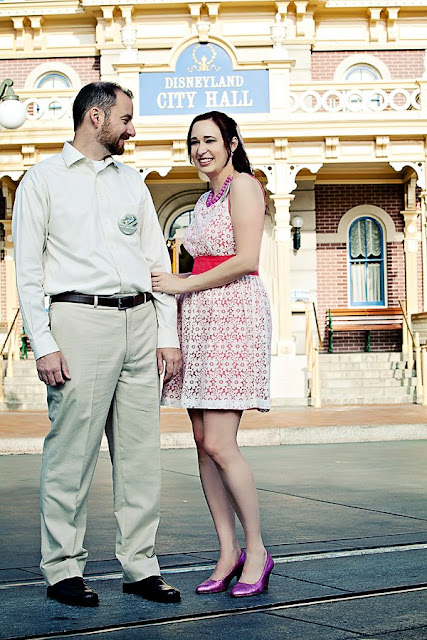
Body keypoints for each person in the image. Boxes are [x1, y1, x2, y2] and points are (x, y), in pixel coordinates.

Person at [12, 82, 182, 608]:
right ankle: (62, 568)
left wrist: (167, 334)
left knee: (139, 453)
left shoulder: (132, 182)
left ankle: (141, 566)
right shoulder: (41, 182)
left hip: (138, 322)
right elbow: (28, 273)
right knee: (72, 452)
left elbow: (157, 263)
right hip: (77, 321)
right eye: (126, 119)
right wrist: (43, 344)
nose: (133, 129)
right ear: (95, 117)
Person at [151, 111, 273, 598]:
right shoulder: (204, 199)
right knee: (202, 442)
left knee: (222, 443)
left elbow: (246, 259)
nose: (201, 149)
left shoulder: (244, 185)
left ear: (231, 143)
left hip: (232, 315)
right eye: (193, 142)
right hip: (198, 317)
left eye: (209, 140)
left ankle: (258, 550)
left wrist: (184, 283)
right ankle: (227, 551)